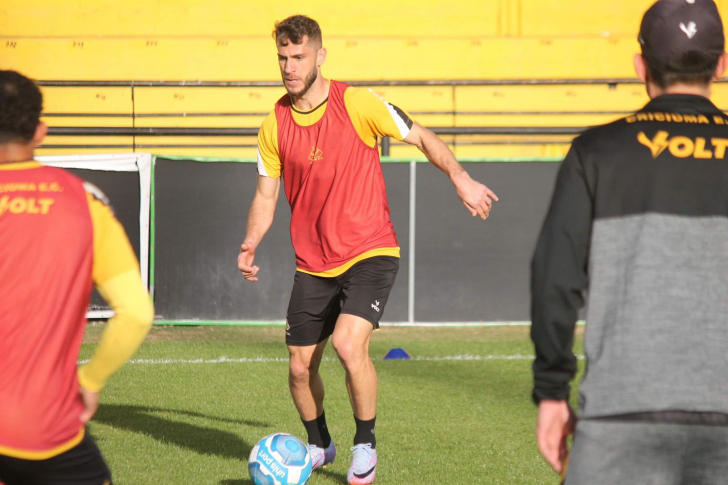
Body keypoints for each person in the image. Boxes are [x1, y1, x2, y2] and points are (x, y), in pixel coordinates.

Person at [237, 15, 497, 484]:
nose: (289, 67)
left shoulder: (356, 102)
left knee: (347, 342)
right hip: (313, 263)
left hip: (370, 250)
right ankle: (319, 445)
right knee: (299, 368)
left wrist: (460, 177)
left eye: (298, 57)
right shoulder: (273, 124)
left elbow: (420, 135)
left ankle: (365, 445)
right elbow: (265, 194)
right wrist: (251, 241)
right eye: (282, 58)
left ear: (320, 55)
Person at [530, 1, 728, 483]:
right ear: (722, 64)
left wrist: (553, 391)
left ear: (640, 65)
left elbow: (555, 277)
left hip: (621, 413)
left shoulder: (597, 151)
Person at [0, 70, 154, 485]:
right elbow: (137, 313)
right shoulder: (83, 202)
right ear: (40, 131)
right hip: (43, 427)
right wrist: (90, 379)